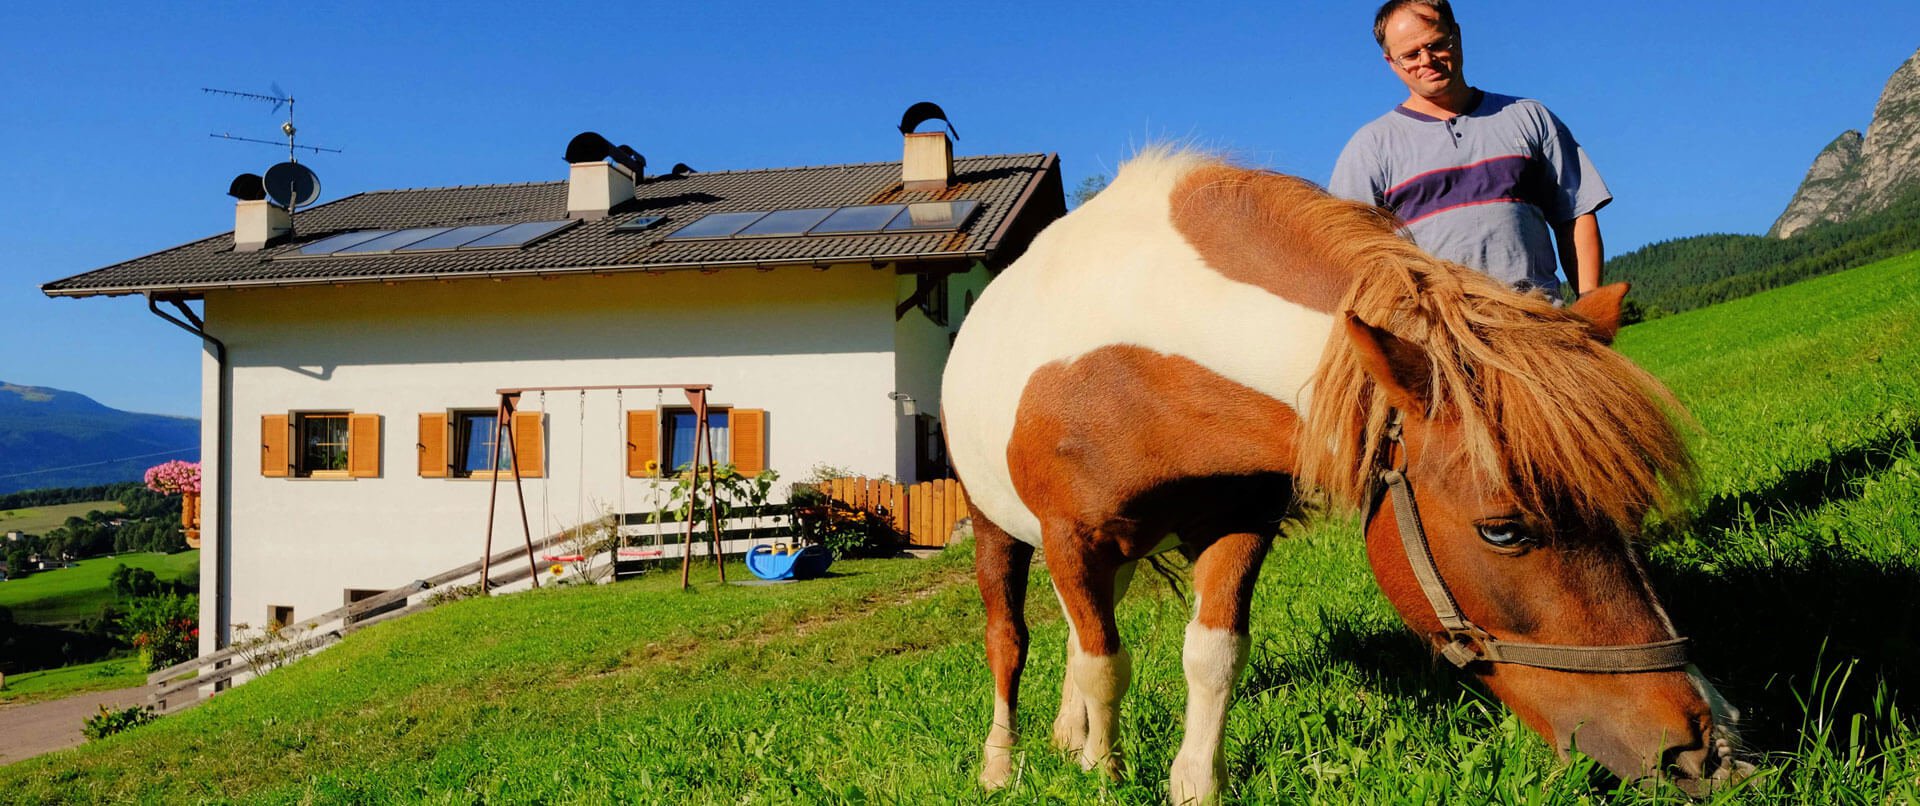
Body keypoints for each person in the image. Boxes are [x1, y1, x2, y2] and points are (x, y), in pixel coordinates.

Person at [1329, 0, 1609, 298]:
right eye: (1411, 55)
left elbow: (1575, 214)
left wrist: (1590, 305)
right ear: (1390, 62)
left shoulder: (1528, 117)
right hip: (1439, 336)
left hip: (1538, 324)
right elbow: (1343, 256)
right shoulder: (1371, 147)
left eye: (1436, 44)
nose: (1427, 60)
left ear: (1457, 36)